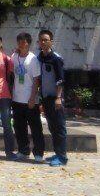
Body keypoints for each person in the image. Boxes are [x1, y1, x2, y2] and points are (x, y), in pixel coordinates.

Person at [11, 32, 44, 162]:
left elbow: (36, 80)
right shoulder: (14, 57)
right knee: (19, 127)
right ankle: (23, 151)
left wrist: (32, 98)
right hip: (17, 98)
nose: (21, 44)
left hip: (30, 100)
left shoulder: (33, 59)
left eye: (24, 41)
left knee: (35, 127)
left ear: (28, 43)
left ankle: (38, 153)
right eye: (19, 41)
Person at [38, 29, 68, 167]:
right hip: (45, 98)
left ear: (51, 42)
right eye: (41, 40)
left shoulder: (56, 58)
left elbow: (60, 79)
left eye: (46, 40)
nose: (43, 42)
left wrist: (58, 97)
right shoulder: (39, 58)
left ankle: (62, 157)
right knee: (52, 127)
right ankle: (57, 153)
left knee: (59, 127)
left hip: (55, 98)